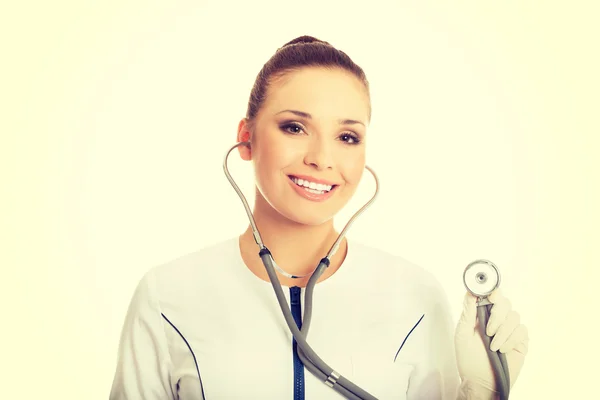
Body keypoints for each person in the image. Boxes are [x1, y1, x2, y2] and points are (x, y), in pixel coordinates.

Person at [109, 36, 529, 399]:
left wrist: (483, 393)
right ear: (246, 138)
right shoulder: (167, 296)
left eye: (347, 137)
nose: (322, 159)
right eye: (294, 127)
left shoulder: (415, 296)